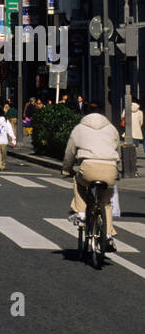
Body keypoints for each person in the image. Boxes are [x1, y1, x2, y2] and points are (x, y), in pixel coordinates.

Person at [62, 102, 122, 250]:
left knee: (78, 181)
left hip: (88, 167)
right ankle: (107, 235)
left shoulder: (79, 128)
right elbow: (118, 151)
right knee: (106, 202)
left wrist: (67, 169)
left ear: (85, 113)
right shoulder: (111, 128)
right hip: (110, 167)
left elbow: (70, 152)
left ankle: (82, 212)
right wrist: (118, 171)